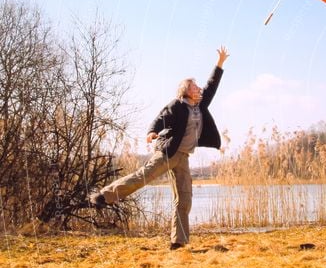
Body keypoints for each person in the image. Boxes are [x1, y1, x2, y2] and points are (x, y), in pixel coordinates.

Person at [90, 46, 229, 249]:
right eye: (194, 86)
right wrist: (151, 132)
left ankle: (178, 242)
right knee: (142, 177)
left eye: (198, 87)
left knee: (184, 198)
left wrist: (220, 63)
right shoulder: (177, 106)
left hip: (183, 157)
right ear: (186, 91)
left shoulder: (200, 105)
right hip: (166, 154)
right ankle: (104, 196)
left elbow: (212, 85)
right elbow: (160, 118)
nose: (198, 89)